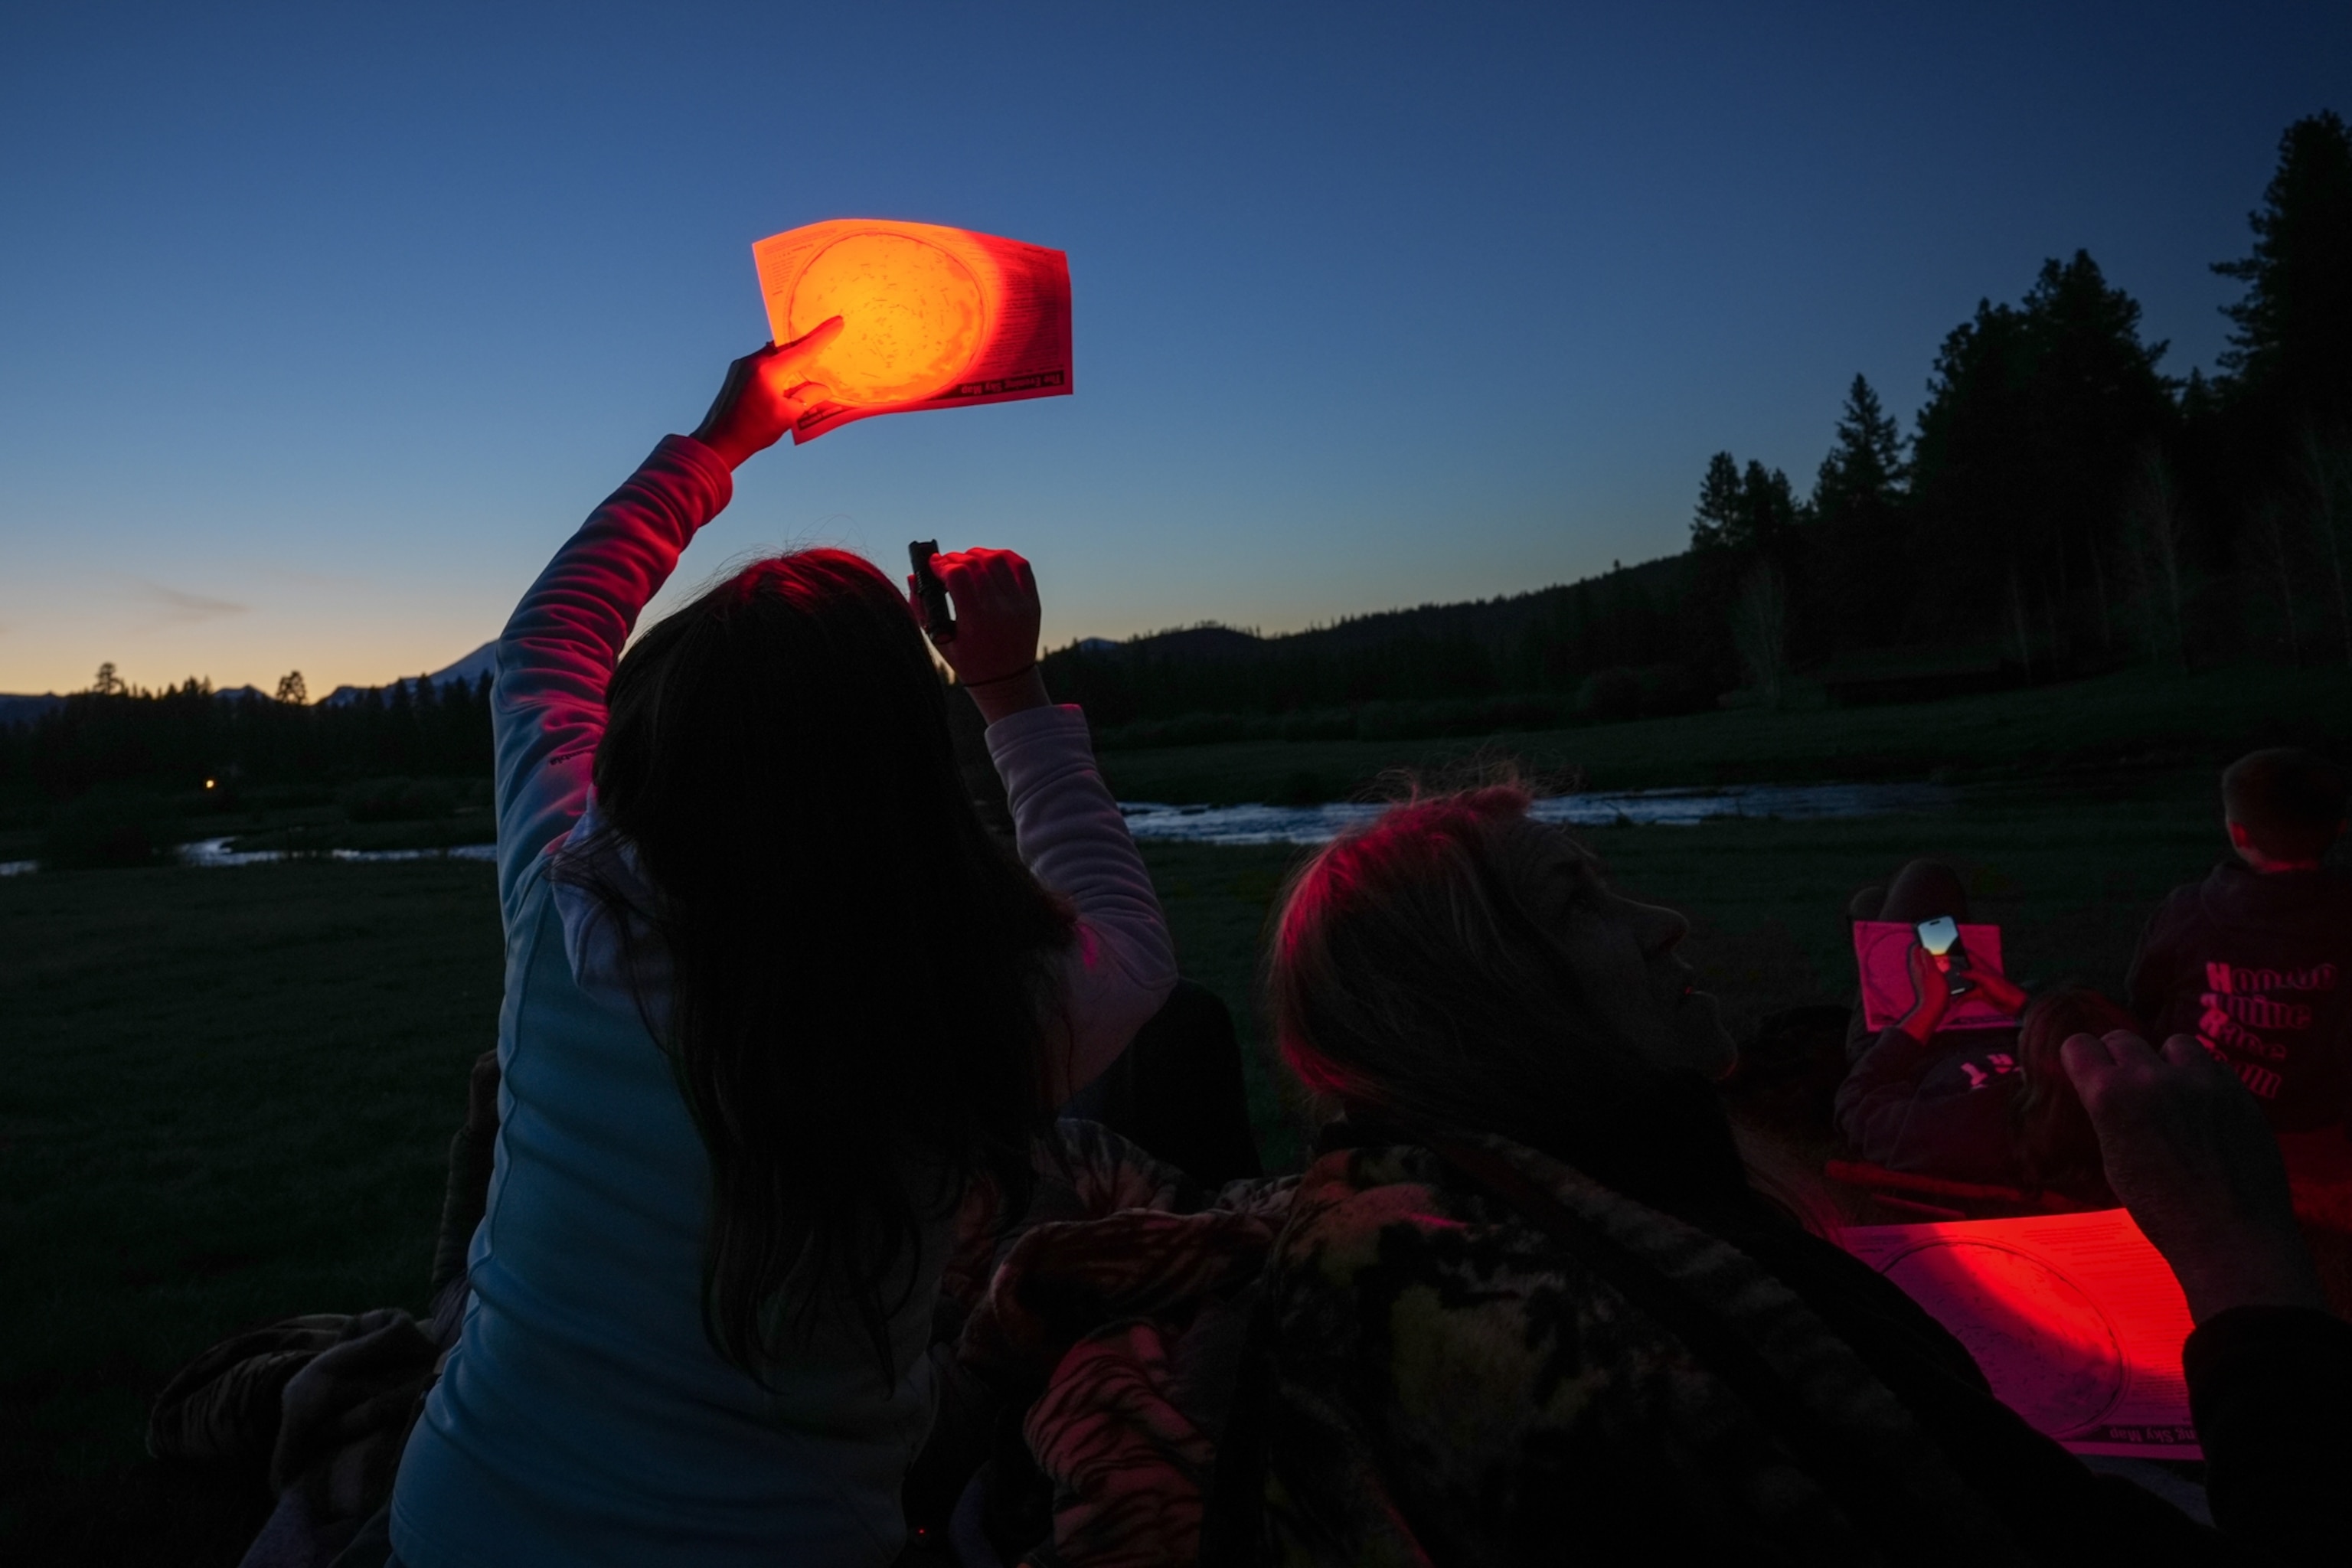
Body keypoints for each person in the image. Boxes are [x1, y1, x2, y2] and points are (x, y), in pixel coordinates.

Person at [384, 323, 1177, 1567]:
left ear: (660, 735)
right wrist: (1010, 691)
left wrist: (719, 442)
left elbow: (544, 647)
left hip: (463, 1522)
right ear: (903, 780)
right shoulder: (967, 1007)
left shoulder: (565, 898)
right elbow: (1129, 947)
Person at [1181, 785, 2352, 1562]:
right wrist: (2242, 1268)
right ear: (1480, 1010)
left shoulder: (1549, 1220)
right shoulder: (1625, 1360)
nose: (1665, 921)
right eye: (1576, 903)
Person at [2128, 747, 2352, 1130]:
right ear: (2340, 828)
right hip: (2319, 1110)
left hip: (2201, 1104)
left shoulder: (2187, 911)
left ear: (2238, 832)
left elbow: (2142, 998)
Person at [1836, 975, 2119, 1202]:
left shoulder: (1972, 1130)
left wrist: (1924, 1011)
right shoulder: (2103, 1102)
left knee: (1891, 915)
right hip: (1964, 1034)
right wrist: (2022, 1005)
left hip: (1901, 1050)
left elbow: (1857, 1108)